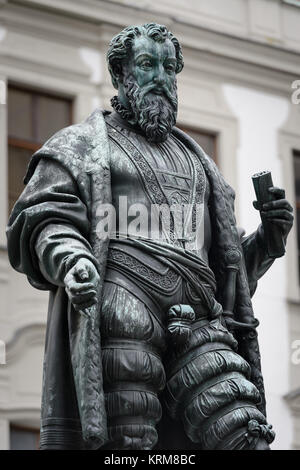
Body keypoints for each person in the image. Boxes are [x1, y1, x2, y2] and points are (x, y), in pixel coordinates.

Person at [6, 23, 293, 450]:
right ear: (121, 75)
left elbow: (226, 275)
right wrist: (71, 259)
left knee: (244, 432)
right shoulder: (80, 145)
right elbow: (44, 217)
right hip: (123, 306)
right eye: (146, 64)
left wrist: (267, 240)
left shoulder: (201, 164)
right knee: (130, 443)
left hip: (200, 319)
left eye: (169, 67)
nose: (161, 76)